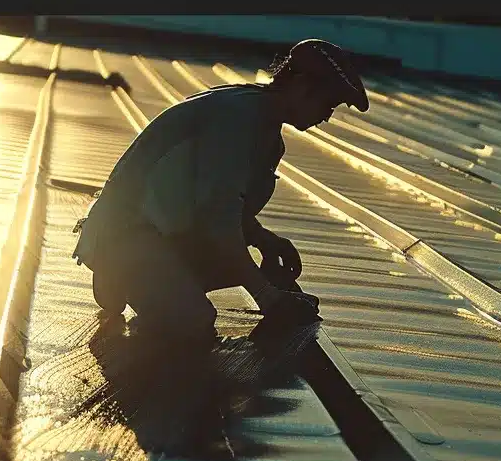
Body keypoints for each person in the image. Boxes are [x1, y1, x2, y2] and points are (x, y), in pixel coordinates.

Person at [72, 38, 371, 345]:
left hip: (165, 232)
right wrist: (266, 297)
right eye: (327, 104)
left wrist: (264, 239)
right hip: (127, 233)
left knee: (259, 278)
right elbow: (217, 219)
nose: (327, 116)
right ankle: (119, 272)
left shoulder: (262, 125)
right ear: (300, 85)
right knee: (193, 321)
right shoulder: (237, 118)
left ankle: (146, 280)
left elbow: (222, 204)